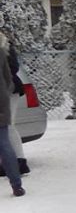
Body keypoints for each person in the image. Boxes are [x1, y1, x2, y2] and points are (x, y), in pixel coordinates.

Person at [0, 31, 26, 197]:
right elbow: (9, 76)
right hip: (2, 99)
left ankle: (20, 164)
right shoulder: (2, 49)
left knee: (8, 134)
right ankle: (16, 185)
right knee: (4, 140)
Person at [3, 36, 31, 177]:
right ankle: (17, 162)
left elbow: (13, 67)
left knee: (7, 127)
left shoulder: (5, 43)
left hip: (8, 90)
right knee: (8, 127)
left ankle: (16, 162)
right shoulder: (5, 42)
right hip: (11, 88)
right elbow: (14, 67)